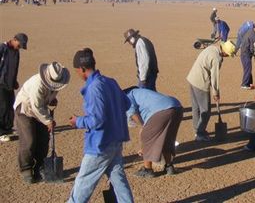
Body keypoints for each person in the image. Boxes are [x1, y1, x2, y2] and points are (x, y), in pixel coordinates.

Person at [68, 48, 133, 203]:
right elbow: (126, 103)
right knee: (119, 182)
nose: (77, 74)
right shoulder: (110, 82)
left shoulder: (94, 88)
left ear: (82, 69)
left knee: (83, 183)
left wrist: (78, 121)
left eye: (77, 71)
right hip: (116, 141)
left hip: (100, 145)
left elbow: (97, 120)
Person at [14, 62, 70, 183]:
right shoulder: (37, 84)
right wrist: (48, 121)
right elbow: (36, 106)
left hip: (40, 109)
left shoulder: (56, 81)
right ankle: (26, 168)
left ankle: (40, 166)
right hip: (25, 109)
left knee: (44, 139)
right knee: (29, 140)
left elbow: (46, 98)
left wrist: (52, 99)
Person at [124, 87, 183, 177]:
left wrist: (143, 128)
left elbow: (133, 114)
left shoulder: (126, 96)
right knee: (167, 138)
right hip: (177, 107)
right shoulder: (138, 92)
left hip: (162, 110)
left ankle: (147, 169)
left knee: (146, 136)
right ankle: (169, 167)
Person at [186, 41, 236, 141]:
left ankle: (197, 129)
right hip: (201, 83)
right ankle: (200, 133)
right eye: (228, 55)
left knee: (196, 108)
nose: (227, 57)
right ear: (225, 52)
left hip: (192, 78)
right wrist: (216, 93)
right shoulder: (217, 58)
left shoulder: (212, 48)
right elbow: (215, 77)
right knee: (205, 111)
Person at [0, 33, 28, 142]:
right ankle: (1, 132)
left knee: (10, 106)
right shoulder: (2, 48)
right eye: (19, 45)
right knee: (2, 107)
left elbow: (14, 68)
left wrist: (14, 81)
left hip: (10, 84)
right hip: (1, 84)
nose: (20, 47)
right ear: (14, 40)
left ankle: (7, 129)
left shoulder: (16, 52)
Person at [239, 22, 255, 89]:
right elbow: (252, 47)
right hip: (245, 53)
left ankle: (249, 83)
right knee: (248, 68)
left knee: (247, 68)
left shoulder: (252, 32)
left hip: (245, 52)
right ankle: (244, 84)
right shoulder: (253, 35)